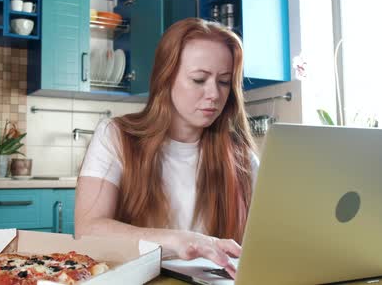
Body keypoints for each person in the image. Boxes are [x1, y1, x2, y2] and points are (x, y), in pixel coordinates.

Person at [74, 18, 259, 279]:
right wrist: (180, 240)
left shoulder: (241, 157)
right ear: (166, 78)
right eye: (199, 79)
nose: (214, 94)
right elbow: (87, 229)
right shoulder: (115, 136)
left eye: (224, 81)